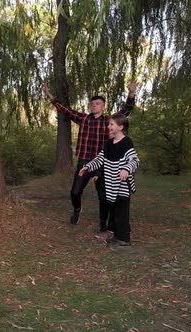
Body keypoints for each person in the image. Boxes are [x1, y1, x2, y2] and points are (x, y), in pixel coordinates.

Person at [42, 81, 137, 232]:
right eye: (92, 104)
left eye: (98, 104)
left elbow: (126, 110)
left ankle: (103, 224)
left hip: (103, 164)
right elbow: (65, 110)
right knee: (75, 192)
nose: (94, 106)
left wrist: (131, 93)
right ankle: (77, 209)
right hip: (85, 161)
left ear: (103, 106)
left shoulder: (109, 121)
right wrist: (49, 95)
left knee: (103, 196)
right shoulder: (84, 119)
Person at [79, 114, 140, 246]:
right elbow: (100, 159)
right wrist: (88, 167)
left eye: (111, 124)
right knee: (114, 211)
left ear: (120, 126)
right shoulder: (108, 144)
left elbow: (134, 160)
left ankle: (123, 239)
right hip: (111, 184)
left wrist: (127, 169)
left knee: (121, 212)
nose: (108, 126)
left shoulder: (126, 142)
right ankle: (116, 234)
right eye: (109, 124)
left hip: (123, 185)